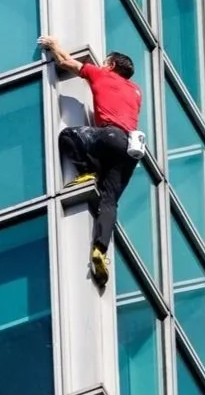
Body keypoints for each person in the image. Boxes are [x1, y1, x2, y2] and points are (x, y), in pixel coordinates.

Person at [38, 35, 143, 286]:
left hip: (109, 136)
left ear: (111, 66)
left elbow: (66, 62)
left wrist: (52, 45)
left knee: (69, 135)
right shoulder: (136, 91)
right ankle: (100, 250)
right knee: (109, 202)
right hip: (130, 150)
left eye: (106, 62)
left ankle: (87, 172)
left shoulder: (102, 74)